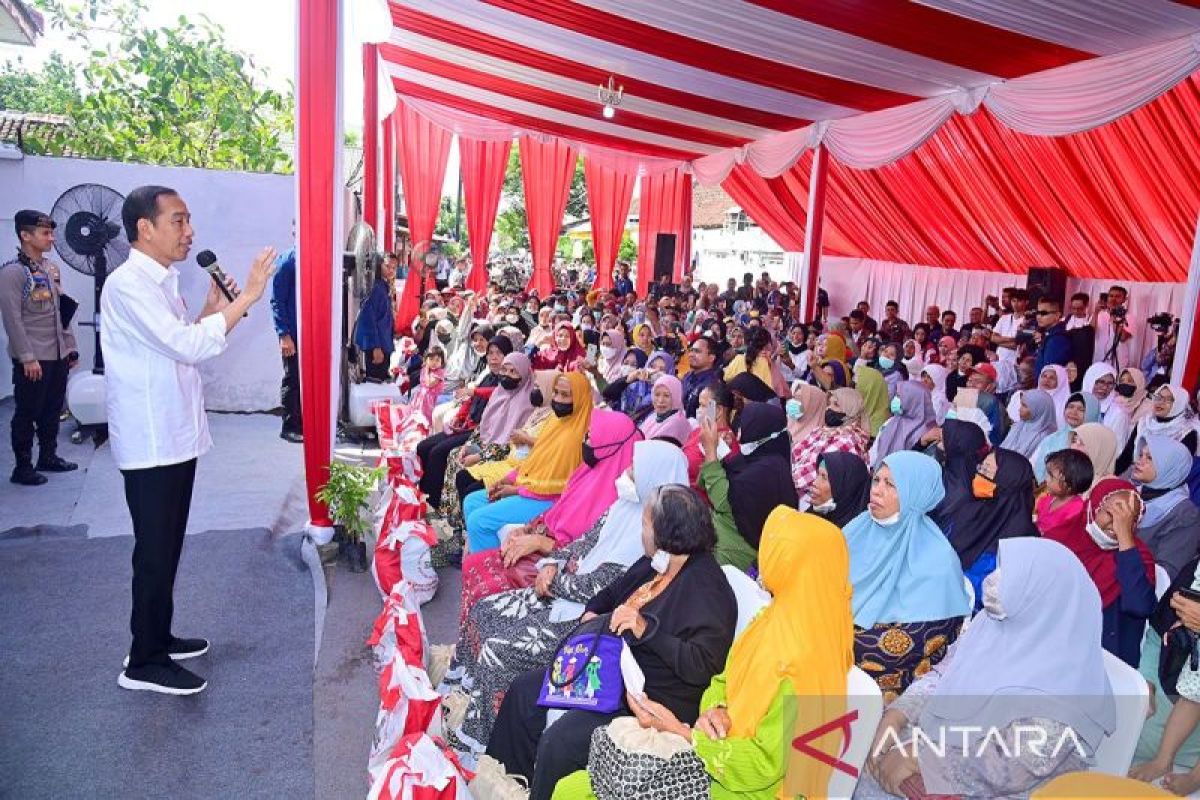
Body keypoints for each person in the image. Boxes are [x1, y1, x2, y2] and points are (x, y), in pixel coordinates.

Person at [552, 506, 855, 800]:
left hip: (747, 787)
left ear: (795, 563)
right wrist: (718, 709)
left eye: (775, 548)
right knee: (578, 784)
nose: (765, 556)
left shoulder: (805, 663)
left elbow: (764, 767)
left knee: (578, 790)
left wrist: (682, 734)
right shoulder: (774, 620)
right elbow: (723, 679)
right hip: (718, 749)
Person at [102, 185, 276, 695]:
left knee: (168, 544)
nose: (189, 232)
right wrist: (245, 297)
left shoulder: (160, 281)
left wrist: (210, 307)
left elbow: (182, 341)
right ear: (145, 229)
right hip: (151, 438)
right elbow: (186, 344)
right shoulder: (128, 285)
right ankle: (143, 661)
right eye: (178, 221)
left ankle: (158, 634)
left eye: (188, 220)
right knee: (154, 551)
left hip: (174, 434)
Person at [443, 440, 689, 761]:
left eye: (635, 468)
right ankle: (466, 703)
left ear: (655, 476)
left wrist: (555, 581)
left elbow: (602, 587)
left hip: (588, 619)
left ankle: (478, 745)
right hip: (563, 593)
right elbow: (584, 543)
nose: (626, 472)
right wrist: (551, 564)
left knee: (498, 650)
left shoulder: (655, 534)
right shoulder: (625, 506)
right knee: (483, 611)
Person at [487, 486, 737, 800]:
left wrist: (647, 629)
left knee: (560, 741)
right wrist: (593, 612)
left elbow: (703, 666)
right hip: (609, 669)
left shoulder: (707, 588)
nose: (642, 531)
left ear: (665, 533)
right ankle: (508, 784)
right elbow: (613, 591)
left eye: (646, 524)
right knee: (525, 692)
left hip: (648, 698)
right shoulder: (656, 563)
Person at [857, 538, 1115, 799]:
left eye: (1014, 576)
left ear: (1044, 595)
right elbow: (943, 676)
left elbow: (1015, 765)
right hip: (942, 745)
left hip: (1005, 786)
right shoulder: (994, 625)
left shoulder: (1067, 681)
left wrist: (918, 757)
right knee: (856, 759)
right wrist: (897, 716)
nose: (995, 580)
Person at [844, 451, 971, 700]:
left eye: (891, 484)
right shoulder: (858, 528)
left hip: (879, 678)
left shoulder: (938, 560)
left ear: (917, 492)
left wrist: (831, 632)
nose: (877, 491)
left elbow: (904, 646)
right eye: (876, 480)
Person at [459, 373, 598, 557]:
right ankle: (483, 561)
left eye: (565, 395)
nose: (557, 399)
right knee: (471, 501)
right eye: (556, 393)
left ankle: (491, 572)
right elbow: (533, 461)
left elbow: (560, 487)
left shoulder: (581, 434)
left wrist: (515, 490)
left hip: (550, 501)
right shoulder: (555, 421)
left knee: (479, 521)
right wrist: (505, 480)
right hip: (531, 489)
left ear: (580, 398)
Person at [0, 209, 79, 485]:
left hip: (56, 354)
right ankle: (22, 467)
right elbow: (13, 319)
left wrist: (69, 348)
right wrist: (26, 357)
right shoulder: (13, 272)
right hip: (34, 357)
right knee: (27, 412)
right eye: (45, 233)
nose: (52, 238)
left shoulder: (49, 269)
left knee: (52, 409)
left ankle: (48, 457)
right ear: (25, 235)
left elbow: (61, 312)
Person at [934, 446, 1037, 607]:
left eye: (987, 471)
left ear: (1006, 480)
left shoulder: (1019, 542)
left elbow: (985, 594)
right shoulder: (972, 509)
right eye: (981, 467)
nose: (979, 474)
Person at [714, 402, 798, 555]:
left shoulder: (766, 470)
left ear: (758, 430)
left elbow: (723, 500)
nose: (739, 434)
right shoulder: (761, 455)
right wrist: (721, 451)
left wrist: (710, 456)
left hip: (750, 550)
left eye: (745, 428)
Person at [1133, 435, 1200, 580]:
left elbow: (1167, 574)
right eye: (1141, 455)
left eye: (1150, 458)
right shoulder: (1132, 491)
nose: (1139, 461)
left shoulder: (1185, 515)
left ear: (1170, 467)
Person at [791, 387, 870, 501]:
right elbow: (794, 456)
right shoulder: (822, 431)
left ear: (850, 411)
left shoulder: (848, 441)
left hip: (813, 498)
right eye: (829, 404)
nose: (829, 408)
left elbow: (813, 475)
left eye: (836, 405)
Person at [269, 227, 302, 443]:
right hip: (292, 334)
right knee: (293, 379)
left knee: (305, 381)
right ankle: (289, 426)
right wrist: (284, 334)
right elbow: (277, 301)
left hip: (309, 335)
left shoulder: (313, 260)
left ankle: (304, 423)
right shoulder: (287, 261)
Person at [1031, 391, 1100, 482]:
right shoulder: (1053, 438)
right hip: (1044, 489)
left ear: (1091, 413)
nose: (1073, 412)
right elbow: (1034, 463)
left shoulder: (1096, 443)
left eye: (1081, 410)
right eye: (1070, 407)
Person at [870, 381, 935, 466]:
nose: (895, 399)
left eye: (899, 396)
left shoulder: (929, 431)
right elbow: (876, 451)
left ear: (912, 399)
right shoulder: (893, 421)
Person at [353, 253, 396, 381]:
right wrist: (376, 347)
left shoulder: (383, 286)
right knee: (375, 383)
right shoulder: (375, 288)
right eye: (387, 266)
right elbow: (368, 319)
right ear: (378, 265)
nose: (391, 270)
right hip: (377, 346)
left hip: (384, 343)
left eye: (394, 268)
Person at [808, 451, 871, 529]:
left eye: (824, 477)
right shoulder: (812, 516)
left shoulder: (854, 533)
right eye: (818, 474)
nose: (815, 483)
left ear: (845, 487)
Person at [1000, 389, 1058, 461]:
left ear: (1038, 409)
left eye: (1024, 406)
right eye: (1021, 404)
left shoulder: (1048, 437)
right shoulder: (1019, 425)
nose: (1019, 409)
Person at [637, 374, 691, 445]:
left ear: (676, 397)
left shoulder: (676, 424)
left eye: (666, 396)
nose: (660, 400)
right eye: (657, 394)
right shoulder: (655, 415)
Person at [680, 335, 721, 418]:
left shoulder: (714, 386)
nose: (691, 354)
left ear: (711, 358)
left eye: (697, 351)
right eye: (691, 350)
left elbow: (710, 418)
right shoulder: (687, 376)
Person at [1070, 421, 1118, 486]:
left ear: (1101, 450)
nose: (1074, 446)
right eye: (1074, 440)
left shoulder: (1109, 489)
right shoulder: (1070, 475)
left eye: (1082, 442)